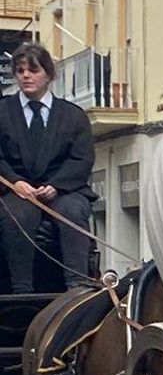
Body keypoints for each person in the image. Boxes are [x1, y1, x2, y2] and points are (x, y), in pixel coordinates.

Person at [0, 42, 95, 291]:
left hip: (63, 190)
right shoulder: (2, 111)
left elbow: (81, 159)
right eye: (20, 71)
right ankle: (21, 289)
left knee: (73, 210)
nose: (26, 76)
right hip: (14, 189)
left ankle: (77, 287)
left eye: (33, 70)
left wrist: (56, 185)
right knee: (17, 214)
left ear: (49, 74)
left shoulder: (74, 115)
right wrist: (14, 182)